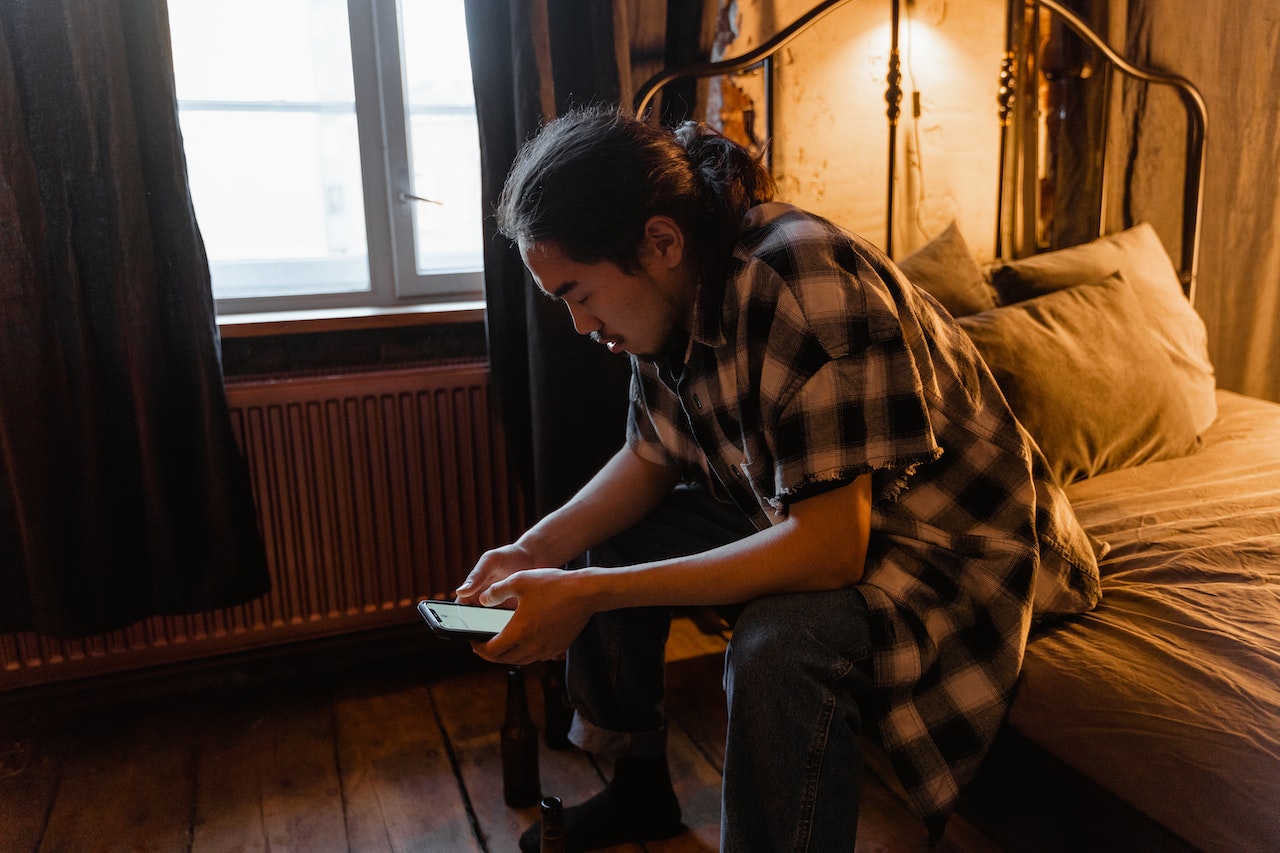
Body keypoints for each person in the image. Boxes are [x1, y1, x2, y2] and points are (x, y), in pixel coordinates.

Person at [455, 105, 1100, 852]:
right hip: (813, 513)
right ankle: (639, 791)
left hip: (950, 548)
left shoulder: (799, 279)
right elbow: (651, 455)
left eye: (578, 294)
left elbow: (830, 552)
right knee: (612, 543)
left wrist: (587, 594)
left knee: (775, 646)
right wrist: (533, 553)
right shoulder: (669, 291)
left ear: (660, 240)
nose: (578, 324)